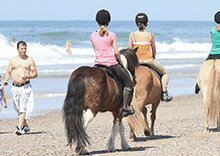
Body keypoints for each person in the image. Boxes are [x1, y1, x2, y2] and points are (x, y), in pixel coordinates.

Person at [90, 9, 135, 117]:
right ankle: (125, 107)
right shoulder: (111, 35)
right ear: (108, 21)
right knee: (129, 83)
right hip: (110, 64)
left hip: (97, 64)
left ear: (97, 21)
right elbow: (116, 52)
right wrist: (119, 61)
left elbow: (96, 50)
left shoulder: (93, 35)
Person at [128, 13, 173, 102]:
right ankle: (164, 93)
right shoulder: (150, 35)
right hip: (148, 61)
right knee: (165, 73)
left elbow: (130, 50)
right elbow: (154, 50)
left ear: (136, 24)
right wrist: (154, 57)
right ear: (147, 23)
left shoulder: (132, 35)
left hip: (136, 62)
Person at [4, 41, 38, 135]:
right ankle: (25, 125)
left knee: (23, 108)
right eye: (22, 48)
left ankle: (20, 128)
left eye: (25, 48)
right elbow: (8, 72)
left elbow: (35, 73)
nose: (24, 50)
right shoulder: (13, 60)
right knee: (17, 108)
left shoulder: (29, 60)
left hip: (25, 87)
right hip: (15, 88)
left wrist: (29, 76)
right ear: (17, 49)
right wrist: (6, 80)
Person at [195, 11, 220, 94]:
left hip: (213, 53)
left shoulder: (212, 30)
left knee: (203, 67)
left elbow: (213, 41)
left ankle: (197, 85)